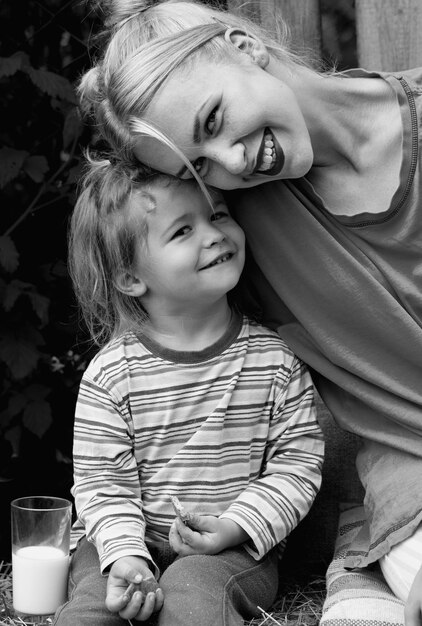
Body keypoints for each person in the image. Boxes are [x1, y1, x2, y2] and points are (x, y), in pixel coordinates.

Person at [75, 0, 422, 622]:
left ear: (245, 45)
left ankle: (361, 583)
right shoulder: (242, 218)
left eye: (213, 118)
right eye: (200, 168)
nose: (232, 165)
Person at [55, 153, 324, 626]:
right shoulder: (110, 375)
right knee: (92, 607)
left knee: (194, 596)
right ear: (131, 278)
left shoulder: (275, 361)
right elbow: (102, 487)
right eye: (183, 231)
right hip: (120, 545)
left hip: (232, 552)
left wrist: (233, 527)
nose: (214, 233)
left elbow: (297, 466)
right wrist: (125, 558)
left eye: (217, 213)